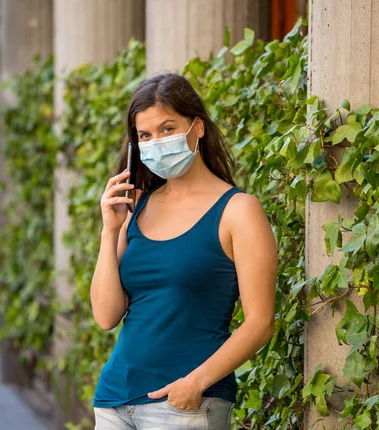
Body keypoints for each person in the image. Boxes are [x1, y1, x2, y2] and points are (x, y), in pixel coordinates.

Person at [90, 73, 278, 430]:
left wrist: (195, 383)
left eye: (167, 129)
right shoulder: (137, 207)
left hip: (184, 407)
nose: (156, 142)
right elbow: (105, 315)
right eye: (144, 136)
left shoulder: (238, 210)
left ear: (198, 128)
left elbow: (260, 322)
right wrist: (110, 229)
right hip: (114, 402)